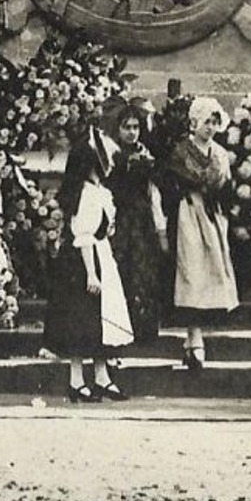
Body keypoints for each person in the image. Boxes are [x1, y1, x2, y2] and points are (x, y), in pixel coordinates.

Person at [44, 123, 135, 402]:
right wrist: (92, 274)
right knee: (83, 321)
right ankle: (76, 380)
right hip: (86, 259)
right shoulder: (85, 193)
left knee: (99, 322)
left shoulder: (99, 191)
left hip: (100, 254)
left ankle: (101, 377)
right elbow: (83, 234)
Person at [166, 96, 238, 371]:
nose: (210, 127)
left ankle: (195, 339)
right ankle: (194, 336)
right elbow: (171, 185)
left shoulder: (219, 153)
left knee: (212, 272)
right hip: (188, 214)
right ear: (194, 122)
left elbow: (227, 185)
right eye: (206, 121)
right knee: (192, 272)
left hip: (213, 216)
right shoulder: (181, 151)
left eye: (215, 122)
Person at [105, 101, 169, 345]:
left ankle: (142, 330)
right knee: (120, 271)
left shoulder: (146, 156)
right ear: (118, 129)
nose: (131, 132)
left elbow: (154, 195)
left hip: (141, 223)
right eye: (126, 127)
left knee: (143, 272)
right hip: (118, 220)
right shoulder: (110, 155)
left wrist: (160, 231)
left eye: (135, 127)